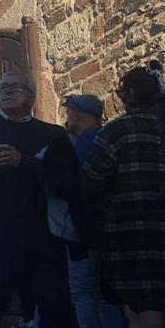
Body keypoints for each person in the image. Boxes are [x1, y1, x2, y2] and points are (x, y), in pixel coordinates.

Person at [0, 71, 80, 328]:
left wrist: (24, 162)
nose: (7, 91)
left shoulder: (52, 134)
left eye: (15, 87)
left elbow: (68, 178)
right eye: (2, 87)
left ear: (32, 97)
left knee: (54, 301)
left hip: (43, 228)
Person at [85, 68, 163, 328]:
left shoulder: (116, 131)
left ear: (128, 94)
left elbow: (91, 182)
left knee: (146, 304)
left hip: (132, 232)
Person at [61, 93, 124, 328]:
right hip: (109, 226)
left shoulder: (84, 142)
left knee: (82, 289)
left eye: (69, 112)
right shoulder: (106, 136)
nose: (68, 117)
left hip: (82, 227)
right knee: (105, 292)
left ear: (77, 114)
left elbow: (80, 184)